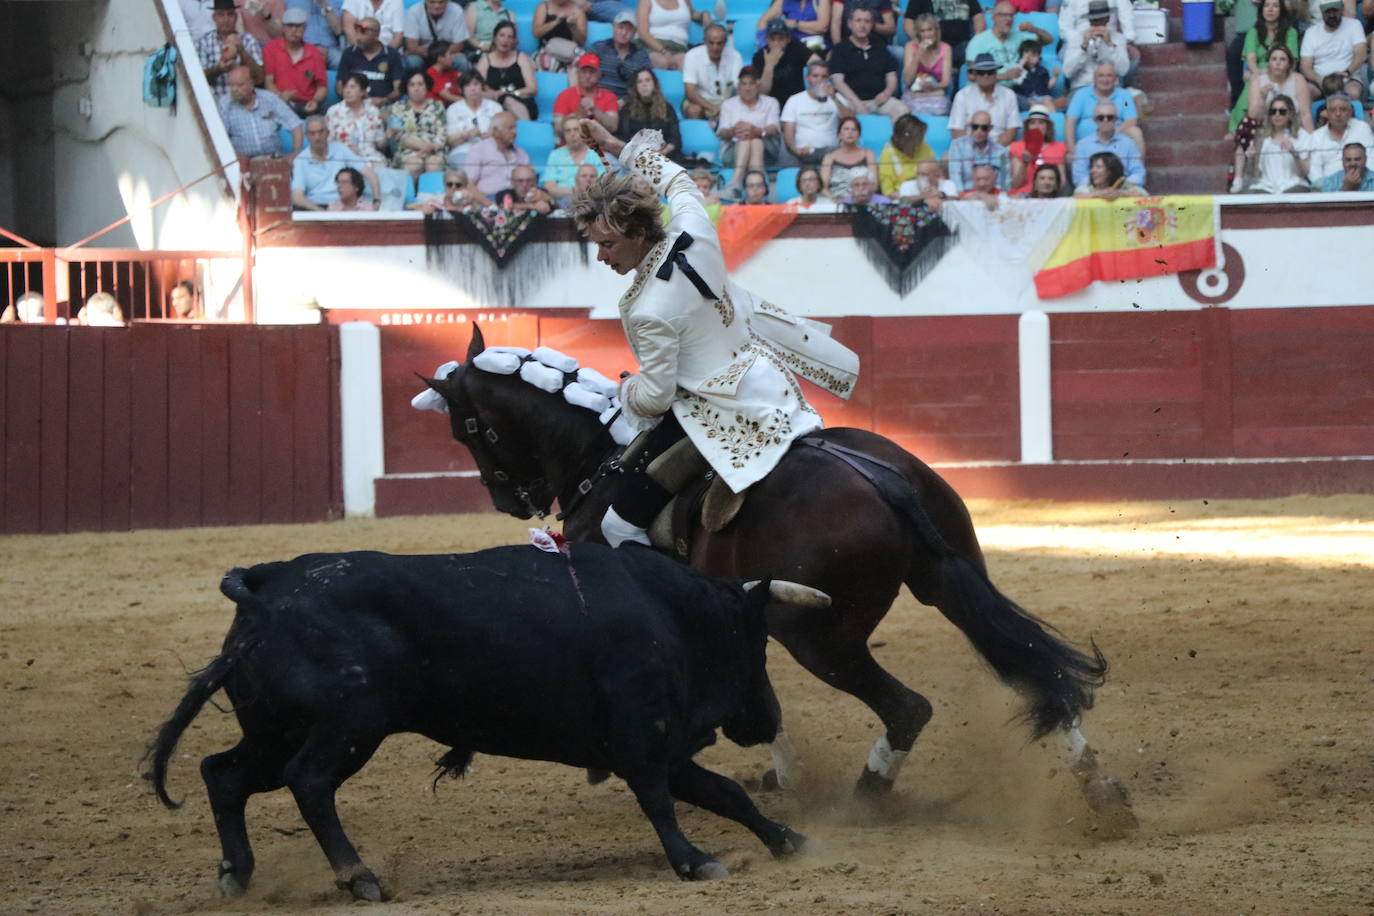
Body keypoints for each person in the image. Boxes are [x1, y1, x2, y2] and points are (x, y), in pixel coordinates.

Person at [567, 118, 858, 548]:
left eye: (607, 243)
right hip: (769, 379)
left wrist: (625, 390)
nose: (600, 255)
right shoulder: (693, 228)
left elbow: (656, 398)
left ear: (640, 233)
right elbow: (678, 180)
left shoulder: (650, 310)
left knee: (617, 527)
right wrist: (613, 143)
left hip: (713, 411)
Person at [828, 5, 907, 121]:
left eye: (867, 21)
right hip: (850, 101)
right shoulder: (840, 49)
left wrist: (887, 92)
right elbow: (838, 82)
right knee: (834, 109)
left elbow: (891, 76)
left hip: (878, 101)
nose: (862, 25)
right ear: (850, 24)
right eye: (858, 20)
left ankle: (895, 140)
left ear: (872, 25)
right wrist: (857, 104)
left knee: (902, 110)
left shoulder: (880, 46)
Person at [717, 68, 783, 199]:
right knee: (750, 140)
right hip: (733, 152)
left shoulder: (771, 102)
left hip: (767, 152)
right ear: (738, 86)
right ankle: (759, 185)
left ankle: (734, 185)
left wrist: (757, 131)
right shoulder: (728, 104)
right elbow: (722, 132)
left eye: (751, 83)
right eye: (744, 84)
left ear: (758, 85)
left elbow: (774, 129)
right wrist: (734, 131)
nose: (748, 88)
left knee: (755, 140)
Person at [293, 114, 380, 207]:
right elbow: (297, 197)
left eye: (320, 132)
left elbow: (371, 175)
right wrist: (322, 213)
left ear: (327, 133)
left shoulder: (340, 149)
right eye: (312, 133)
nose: (317, 137)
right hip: (316, 207)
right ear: (306, 136)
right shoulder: (300, 160)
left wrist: (376, 200)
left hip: (344, 205)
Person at [1231, 44, 1313, 144]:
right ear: (1268, 63)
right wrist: (1262, 97)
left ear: (1289, 64)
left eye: (1282, 59)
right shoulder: (1258, 81)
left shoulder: (1298, 79)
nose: (1278, 63)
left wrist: (1311, 140)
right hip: (1267, 130)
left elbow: (1306, 114)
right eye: (1274, 59)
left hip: (1293, 128)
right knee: (1246, 125)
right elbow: (1253, 116)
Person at [1232, 93, 1310, 193]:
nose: (1277, 114)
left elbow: (1304, 173)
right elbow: (1252, 175)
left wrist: (1294, 154)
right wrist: (1251, 159)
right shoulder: (1261, 138)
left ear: (1291, 114)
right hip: (1266, 187)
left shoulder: (1302, 136)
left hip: (1293, 185)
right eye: (1273, 111)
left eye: (1282, 111)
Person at [1064, 61, 1143, 159]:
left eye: (1109, 76)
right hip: (1086, 146)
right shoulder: (1081, 95)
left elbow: (1131, 120)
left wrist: (1108, 133)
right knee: (1070, 158)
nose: (1105, 80)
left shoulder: (1124, 96)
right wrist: (1072, 149)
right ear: (1094, 78)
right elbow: (1070, 122)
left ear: (1115, 78)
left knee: (1136, 132)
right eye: (1101, 76)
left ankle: (1137, 172)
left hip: (1116, 143)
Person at [220, 65, 303, 157]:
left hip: (274, 159)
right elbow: (219, 138)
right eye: (231, 85)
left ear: (251, 84)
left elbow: (295, 125)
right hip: (243, 163)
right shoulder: (225, 104)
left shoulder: (269, 99)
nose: (234, 89)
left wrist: (296, 153)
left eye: (240, 85)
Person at [965, 1, 1052, 88]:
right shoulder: (979, 41)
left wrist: (1033, 29)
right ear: (993, 18)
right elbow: (972, 76)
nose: (1008, 19)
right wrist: (1004, 76)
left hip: (1014, 93)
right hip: (986, 92)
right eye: (1003, 15)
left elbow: (1048, 40)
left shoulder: (1018, 37)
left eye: (1011, 15)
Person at [781, 60, 851, 166]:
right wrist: (795, 150)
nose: (820, 80)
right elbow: (788, 133)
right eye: (815, 76)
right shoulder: (794, 100)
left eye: (824, 77)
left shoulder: (836, 98)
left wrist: (834, 98)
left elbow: (851, 120)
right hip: (804, 153)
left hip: (831, 152)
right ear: (807, 78)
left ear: (828, 79)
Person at [263, 7, 328, 117]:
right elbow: (269, 81)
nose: (294, 30)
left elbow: (322, 87)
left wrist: (315, 101)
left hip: (307, 105)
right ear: (283, 28)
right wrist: (280, 96)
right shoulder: (271, 48)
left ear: (304, 28)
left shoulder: (314, 53)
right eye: (290, 25)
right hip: (280, 102)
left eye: (298, 26)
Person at [1297, 93, 1374, 182]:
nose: (1338, 114)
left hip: (1362, 182)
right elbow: (1315, 169)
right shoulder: (1317, 136)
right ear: (1327, 113)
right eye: (1333, 110)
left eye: (1343, 109)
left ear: (1350, 112)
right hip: (1329, 188)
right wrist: (1324, 189)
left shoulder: (1362, 128)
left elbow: (1371, 159)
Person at [948, 53, 1020, 146]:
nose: (986, 76)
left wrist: (994, 151)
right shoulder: (962, 96)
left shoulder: (1009, 95)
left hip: (1000, 149)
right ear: (975, 75)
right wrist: (972, 152)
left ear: (995, 74)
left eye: (990, 72)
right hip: (969, 150)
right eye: (981, 72)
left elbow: (1012, 129)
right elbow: (957, 130)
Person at [198, 0, 265, 97]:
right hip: (215, 102)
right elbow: (198, 79)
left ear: (236, 17)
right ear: (214, 18)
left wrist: (242, 51)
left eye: (230, 14)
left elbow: (259, 79)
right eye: (221, 15)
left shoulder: (248, 40)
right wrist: (219, 69)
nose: (226, 20)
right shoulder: (204, 42)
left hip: (245, 103)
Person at [1070, 100, 1143, 187]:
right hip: (1092, 190)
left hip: (1123, 189)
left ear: (1116, 119)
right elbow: (1079, 178)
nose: (1105, 120)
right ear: (1095, 120)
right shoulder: (1082, 145)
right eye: (1101, 118)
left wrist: (1118, 186)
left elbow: (1139, 175)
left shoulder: (1128, 144)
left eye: (1110, 117)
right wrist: (1101, 187)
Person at [1061, 0, 1130, 93]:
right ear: (1089, 20)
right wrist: (1083, 47)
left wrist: (1110, 45)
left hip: (1110, 88)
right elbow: (1067, 72)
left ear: (1108, 19)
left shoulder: (1118, 39)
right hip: (1083, 87)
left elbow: (1123, 71)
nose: (1098, 24)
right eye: (1094, 20)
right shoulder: (1077, 38)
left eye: (1101, 20)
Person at [617, 68, 685, 162]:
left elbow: (675, 138)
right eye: (639, 82)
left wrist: (663, 152)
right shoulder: (627, 109)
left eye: (647, 80)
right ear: (635, 87)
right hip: (636, 158)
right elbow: (623, 136)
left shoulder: (667, 108)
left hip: (665, 156)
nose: (644, 84)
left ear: (654, 84)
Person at [1299, 0, 1366, 92]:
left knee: (1353, 92)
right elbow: (1305, 66)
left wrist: (1347, 72)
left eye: (1335, 11)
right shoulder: (1311, 32)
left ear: (1342, 9)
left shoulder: (1354, 25)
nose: (1332, 15)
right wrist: (1320, 79)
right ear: (1322, 13)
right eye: (1328, 12)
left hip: (1348, 78)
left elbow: (1361, 55)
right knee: (1306, 92)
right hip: (1319, 81)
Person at [477, 21, 539, 120]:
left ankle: (527, 128)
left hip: (521, 100)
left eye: (510, 37)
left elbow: (532, 89)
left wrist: (512, 94)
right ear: (494, 38)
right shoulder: (485, 61)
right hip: (494, 103)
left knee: (508, 100)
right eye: (502, 35)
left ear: (514, 41)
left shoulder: (521, 57)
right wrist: (494, 94)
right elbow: (479, 89)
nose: (505, 40)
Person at [336, 16, 403, 105]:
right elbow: (339, 86)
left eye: (363, 33)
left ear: (376, 35)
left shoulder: (392, 55)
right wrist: (355, 100)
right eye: (357, 32)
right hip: (353, 105)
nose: (358, 37)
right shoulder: (349, 53)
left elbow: (398, 89)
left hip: (384, 106)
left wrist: (383, 101)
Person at [682, 23, 745, 119]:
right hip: (699, 101)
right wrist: (713, 108)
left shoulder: (735, 56)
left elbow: (740, 88)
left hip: (726, 102)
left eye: (719, 43)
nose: (715, 47)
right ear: (705, 41)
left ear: (725, 43)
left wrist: (727, 107)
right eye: (711, 43)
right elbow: (691, 93)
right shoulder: (692, 56)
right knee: (694, 110)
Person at [588, 10, 654, 98]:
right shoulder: (598, 48)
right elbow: (582, 72)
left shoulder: (641, 55)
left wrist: (624, 102)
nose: (623, 33)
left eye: (629, 29)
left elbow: (647, 84)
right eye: (621, 27)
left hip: (629, 103)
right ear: (613, 28)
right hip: (598, 99)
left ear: (634, 33)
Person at [463, 111, 532, 195]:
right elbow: (468, 184)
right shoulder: (479, 150)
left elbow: (531, 182)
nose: (515, 132)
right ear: (496, 131)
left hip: (515, 202)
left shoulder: (522, 154)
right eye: (510, 128)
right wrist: (490, 204)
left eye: (515, 128)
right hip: (486, 202)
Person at [388, 69, 447, 167]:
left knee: (434, 163)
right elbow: (397, 135)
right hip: (407, 151)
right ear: (406, 88)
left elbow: (442, 134)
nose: (416, 88)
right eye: (412, 85)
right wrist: (423, 147)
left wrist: (431, 147)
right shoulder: (398, 107)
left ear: (426, 86)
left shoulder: (437, 106)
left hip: (434, 150)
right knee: (414, 164)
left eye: (420, 84)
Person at [327, 71, 389, 163]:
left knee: (381, 169)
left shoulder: (372, 111)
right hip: (342, 158)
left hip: (370, 157)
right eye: (345, 87)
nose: (347, 91)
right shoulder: (333, 112)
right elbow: (328, 142)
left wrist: (388, 135)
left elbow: (380, 144)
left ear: (362, 92)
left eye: (352, 87)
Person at [943, 108, 1010, 190]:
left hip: (992, 196)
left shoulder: (1001, 151)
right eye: (975, 127)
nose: (979, 131)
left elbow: (1004, 183)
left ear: (990, 128)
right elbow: (956, 179)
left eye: (984, 128)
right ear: (970, 126)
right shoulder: (957, 146)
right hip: (966, 194)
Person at [903, 0, 979, 73]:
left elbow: (978, 17)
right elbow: (908, 23)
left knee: (976, 63)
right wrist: (920, 43)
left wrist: (976, 42)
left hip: (963, 46)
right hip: (933, 48)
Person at [446, 71, 504, 166]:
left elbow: (505, 136)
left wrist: (493, 136)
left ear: (482, 87)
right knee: (470, 168)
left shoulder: (495, 108)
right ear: (461, 90)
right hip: (462, 152)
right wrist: (467, 135)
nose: (473, 89)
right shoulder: (453, 109)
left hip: (491, 151)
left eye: (476, 84)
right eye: (468, 85)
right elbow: (450, 141)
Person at [554, 53, 620, 134]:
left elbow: (613, 127)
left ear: (599, 74)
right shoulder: (565, 95)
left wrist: (595, 110)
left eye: (591, 72)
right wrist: (577, 115)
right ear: (578, 73)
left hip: (600, 144)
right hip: (572, 144)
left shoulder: (609, 96)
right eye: (584, 72)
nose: (587, 76)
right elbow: (558, 128)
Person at [545, 118, 609, 202]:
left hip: (593, 203)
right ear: (563, 134)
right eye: (568, 131)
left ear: (584, 132)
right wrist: (576, 190)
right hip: (561, 207)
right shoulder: (555, 155)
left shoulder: (596, 153)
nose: (572, 134)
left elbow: (604, 185)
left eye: (576, 129)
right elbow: (549, 188)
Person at [753, 18, 814, 106]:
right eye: (772, 39)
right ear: (766, 39)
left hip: (797, 103)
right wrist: (769, 65)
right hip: (771, 105)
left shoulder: (795, 46)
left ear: (788, 39)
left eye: (781, 39)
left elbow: (816, 62)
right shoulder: (759, 57)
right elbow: (763, 93)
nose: (776, 43)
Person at [1008, 103, 1067, 192]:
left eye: (1041, 122)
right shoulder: (1016, 147)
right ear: (1028, 127)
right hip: (1023, 196)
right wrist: (1024, 163)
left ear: (1047, 126)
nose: (1036, 126)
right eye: (1032, 123)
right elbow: (1016, 184)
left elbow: (1061, 183)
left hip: (1049, 196)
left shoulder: (1060, 147)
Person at [901, 13, 952, 116]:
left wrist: (932, 86)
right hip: (915, 91)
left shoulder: (946, 48)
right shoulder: (910, 46)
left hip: (936, 90)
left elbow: (946, 82)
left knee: (941, 100)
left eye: (930, 30)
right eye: (922, 31)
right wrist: (918, 54)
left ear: (936, 31)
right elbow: (908, 80)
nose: (927, 34)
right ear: (918, 33)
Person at [636, 0, 709, 70]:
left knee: (685, 63)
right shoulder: (646, 1)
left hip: (679, 48)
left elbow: (692, 13)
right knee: (662, 61)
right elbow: (643, 32)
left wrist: (704, 15)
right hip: (653, 46)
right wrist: (663, 50)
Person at [877, 113, 936, 196]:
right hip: (903, 199)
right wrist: (915, 197)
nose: (921, 141)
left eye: (921, 137)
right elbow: (888, 191)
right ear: (905, 139)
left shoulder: (924, 146)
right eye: (917, 138)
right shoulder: (888, 154)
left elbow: (935, 174)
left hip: (929, 193)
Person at [403, 0, 471, 71]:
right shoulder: (414, 12)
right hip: (423, 55)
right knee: (413, 61)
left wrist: (444, 56)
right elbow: (412, 48)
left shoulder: (457, 11)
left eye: (441, 2)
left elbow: (458, 45)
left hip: (449, 54)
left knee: (461, 62)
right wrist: (438, 56)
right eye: (432, 2)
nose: (436, 6)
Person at [820, 115, 877, 198]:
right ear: (839, 134)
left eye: (854, 129)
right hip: (836, 201)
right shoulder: (829, 158)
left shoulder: (868, 154)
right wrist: (834, 200)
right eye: (846, 129)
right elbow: (823, 188)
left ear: (859, 135)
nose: (850, 132)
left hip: (863, 200)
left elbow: (874, 184)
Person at [532, 0, 588, 72]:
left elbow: (582, 41)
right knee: (548, 64)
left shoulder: (578, 11)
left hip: (570, 51)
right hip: (547, 50)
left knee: (583, 65)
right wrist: (556, 21)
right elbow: (536, 33)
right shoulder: (543, 7)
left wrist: (573, 27)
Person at [753, 0, 831, 49]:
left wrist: (795, 24)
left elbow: (822, 27)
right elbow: (763, 22)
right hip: (790, 45)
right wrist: (764, 45)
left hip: (815, 46)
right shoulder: (783, 1)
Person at [1010, 36, 1056, 112]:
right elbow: (1014, 80)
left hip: (1041, 95)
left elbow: (1048, 86)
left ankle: (1053, 119)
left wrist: (1055, 76)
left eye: (1034, 55)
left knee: (1049, 103)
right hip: (1026, 96)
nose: (1030, 57)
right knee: (1034, 104)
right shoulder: (1019, 69)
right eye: (1027, 54)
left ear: (1039, 57)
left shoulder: (1043, 70)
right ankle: (1038, 117)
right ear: (1021, 55)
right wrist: (1022, 63)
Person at [829, 0, 899, 49]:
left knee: (899, 53)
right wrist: (838, 48)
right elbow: (836, 21)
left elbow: (891, 29)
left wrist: (869, 24)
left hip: (877, 46)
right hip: (847, 44)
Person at [1073, 150, 1144, 197]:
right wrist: (1099, 194)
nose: (1092, 171)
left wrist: (1122, 194)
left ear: (1111, 170)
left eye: (1098, 167)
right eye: (1092, 167)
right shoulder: (1084, 189)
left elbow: (1144, 197)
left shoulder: (1125, 187)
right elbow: (1075, 198)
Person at [420, 168, 493, 211]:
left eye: (458, 185)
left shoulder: (469, 204)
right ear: (444, 185)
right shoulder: (436, 200)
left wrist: (473, 202)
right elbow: (425, 211)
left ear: (464, 187)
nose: (453, 188)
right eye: (449, 184)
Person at [300, 0, 346, 69]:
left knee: (341, 62)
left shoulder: (334, 2)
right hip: (304, 47)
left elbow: (338, 30)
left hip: (330, 48)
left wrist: (324, 4)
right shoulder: (295, 2)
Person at [427, 40, 464, 104]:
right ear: (440, 58)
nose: (453, 57)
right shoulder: (431, 74)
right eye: (450, 54)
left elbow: (468, 77)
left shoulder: (448, 71)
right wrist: (471, 101)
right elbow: (450, 97)